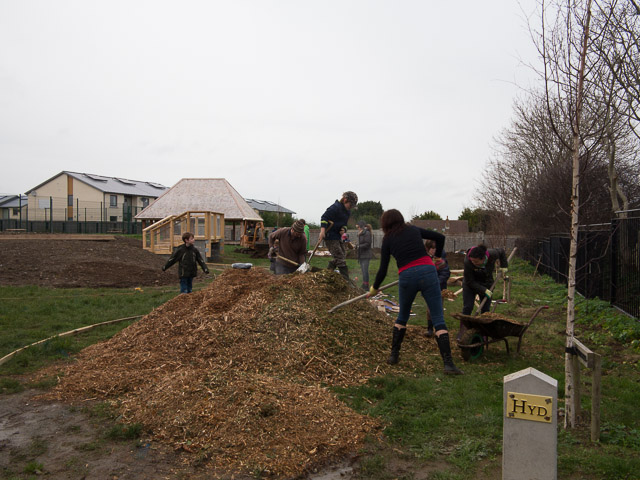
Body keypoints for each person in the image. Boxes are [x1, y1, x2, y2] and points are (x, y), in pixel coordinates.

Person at [367, 209, 463, 374]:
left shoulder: (387, 239)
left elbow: (383, 269)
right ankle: (448, 364)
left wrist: (374, 288)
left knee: (402, 316)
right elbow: (440, 237)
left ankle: (394, 356)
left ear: (385, 223)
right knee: (438, 317)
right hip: (428, 271)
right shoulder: (413, 229)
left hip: (406, 276)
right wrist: (438, 257)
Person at [458, 244, 508, 340]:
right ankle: (463, 331)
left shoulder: (492, 254)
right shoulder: (468, 261)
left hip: (486, 283)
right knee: (467, 307)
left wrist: (504, 266)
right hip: (470, 285)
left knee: (485, 310)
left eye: (476, 261)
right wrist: (483, 290)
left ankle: (483, 333)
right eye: (472, 261)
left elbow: (501, 251)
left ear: (482, 258)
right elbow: (469, 281)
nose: (473, 263)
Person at [318, 191, 358, 281]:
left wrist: (344, 229)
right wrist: (322, 231)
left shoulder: (347, 212)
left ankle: (327, 273)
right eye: (350, 205)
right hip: (330, 236)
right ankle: (346, 280)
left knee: (342, 255)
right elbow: (324, 218)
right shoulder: (335, 208)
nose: (351, 207)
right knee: (339, 256)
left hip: (338, 236)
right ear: (345, 200)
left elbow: (344, 225)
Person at [424, 238, 451, 337]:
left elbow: (445, 273)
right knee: (429, 308)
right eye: (431, 248)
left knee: (438, 308)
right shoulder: (425, 257)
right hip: (428, 287)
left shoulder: (440, 258)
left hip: (440, 287)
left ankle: (439, 329)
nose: (433, 250)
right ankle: (430, 329)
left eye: (435, 248)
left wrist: (437, 282)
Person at [356, 221, 373, 290]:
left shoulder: (367, 233)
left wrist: (358, 246)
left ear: (361, 227)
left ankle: (366, 286)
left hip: (366, 255)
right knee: (363, 271)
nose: (358, 229)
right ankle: (364, 284)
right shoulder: (361, 234)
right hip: (361, 255)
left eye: (358, 227)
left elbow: (367, 244)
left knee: (365, 270)